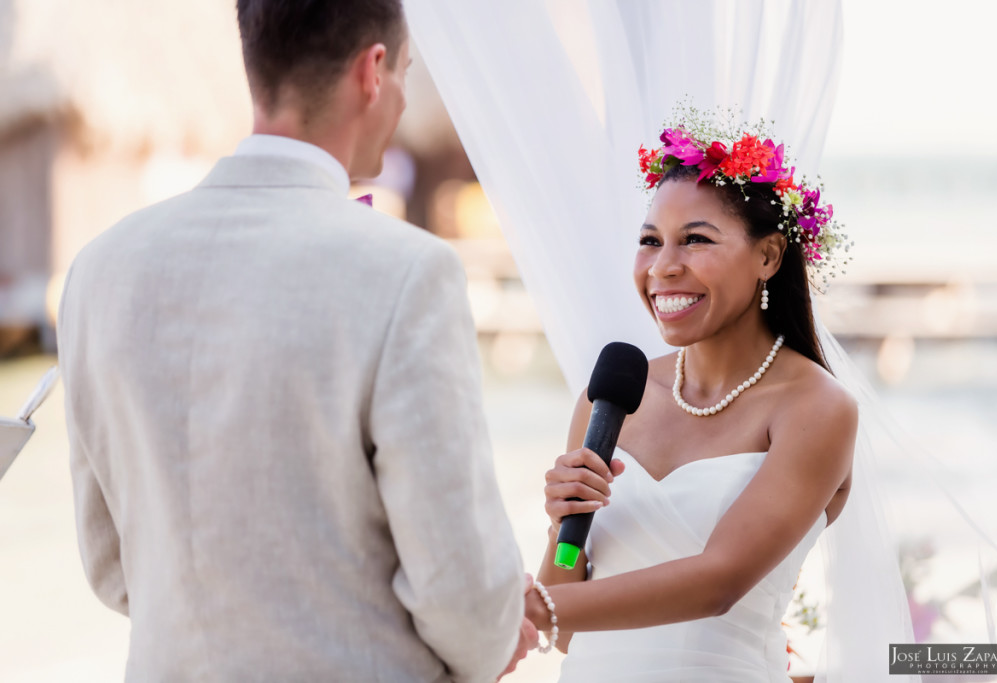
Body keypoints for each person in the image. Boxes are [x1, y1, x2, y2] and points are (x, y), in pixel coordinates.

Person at [56, 1, 532, 680]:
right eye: (405, 71)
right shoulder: (407, 272)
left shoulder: (100, 269)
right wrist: (497, 624)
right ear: (374, 72)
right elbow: (462, 596)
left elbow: (110, 564)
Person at [525, 122, 862, 682]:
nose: (662, 267)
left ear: (770, 257)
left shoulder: (815, 409)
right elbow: (566, 627)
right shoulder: (607, 397)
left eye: (696, 239)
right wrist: (566, 527)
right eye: (651, 240)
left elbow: (719, 580)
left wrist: (526, 610)